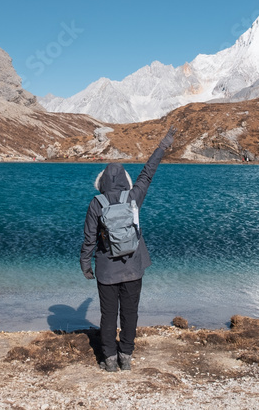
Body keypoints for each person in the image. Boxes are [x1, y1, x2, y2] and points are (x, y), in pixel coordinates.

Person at [81, 126, 175, 373]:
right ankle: (126, 357)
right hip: (133, 268)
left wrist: (85, 264)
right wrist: (163, 146)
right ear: (124, 180)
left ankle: (109, 360)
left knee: (108, 315)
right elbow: (147, 173)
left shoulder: (96, 203)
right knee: (130, 313)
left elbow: (89, 238)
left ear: (101, 181)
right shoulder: (134, 197)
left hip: (106, 270)